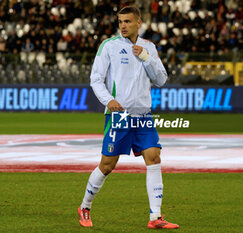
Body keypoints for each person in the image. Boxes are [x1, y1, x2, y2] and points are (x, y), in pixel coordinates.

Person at [77, 6, 179, 229]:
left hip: (143, 115)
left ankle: (155, 217)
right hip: (120, 116)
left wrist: (146, 58)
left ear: (138, 23)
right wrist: (108, 100)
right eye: (120, 21)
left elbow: (161, 79)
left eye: (127, 21)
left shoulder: (149, 48)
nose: (123, 25)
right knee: (107, 164)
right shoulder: (110, 46)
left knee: (154, 158)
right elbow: (96, 79)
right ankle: (85, 207)